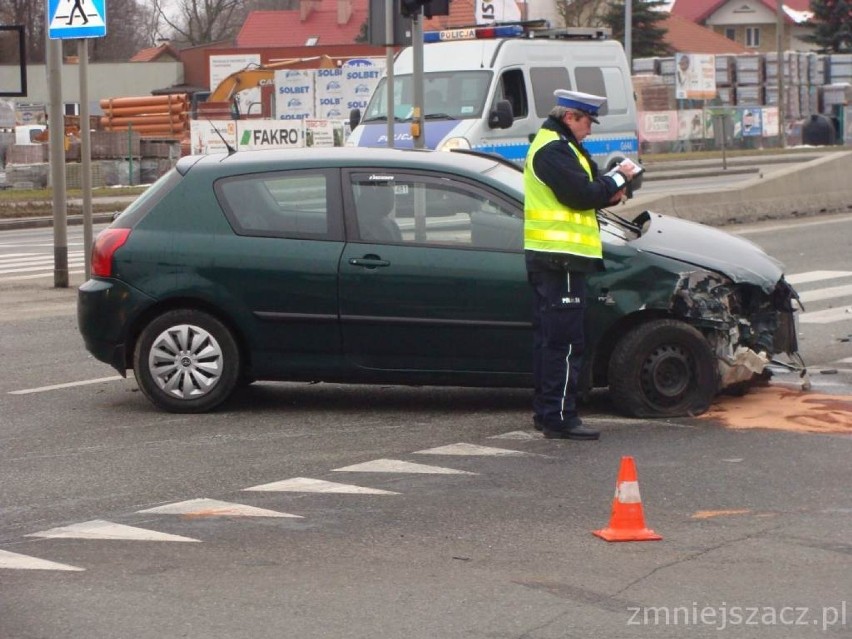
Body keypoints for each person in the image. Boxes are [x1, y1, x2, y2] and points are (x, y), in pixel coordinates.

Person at [523, 89, 638, 440]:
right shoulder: (553, 149)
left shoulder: (558, 145)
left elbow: (583, 193)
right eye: (587, 121)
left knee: (551, 340)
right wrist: (619, 177)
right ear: (571, 117)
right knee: (565, 343)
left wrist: (606, 190)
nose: (590, 129)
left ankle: (547, 412)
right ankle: (561, 418)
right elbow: (580, 194)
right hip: (561, 260)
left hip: (557, 258)